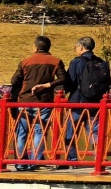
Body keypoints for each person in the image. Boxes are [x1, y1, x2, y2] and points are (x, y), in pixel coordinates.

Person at [7, 37, 68, 167]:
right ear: (48, 47)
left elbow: (14, 81)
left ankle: (20, 162)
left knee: (22, 132)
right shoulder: (56, 61)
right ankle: (35, 161)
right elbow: (63, 79)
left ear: (35, 47)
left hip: (24, 100)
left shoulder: (25, 62)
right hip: (44, 101)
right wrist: (47, 85)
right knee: (39, 131)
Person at [62, 36, 110, 161]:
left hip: (77, 102)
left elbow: (70, 82)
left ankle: (71, 159)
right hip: (95, 102)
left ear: (82, 47)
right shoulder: (100, 62)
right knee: (94, 132)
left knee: (71, 132)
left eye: (76, 47)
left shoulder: (76, 62)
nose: (75, 49)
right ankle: (99, 158)